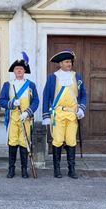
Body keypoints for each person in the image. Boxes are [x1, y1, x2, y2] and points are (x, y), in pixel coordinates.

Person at [42, 49, 87, 179]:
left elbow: (83, 95)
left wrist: (81, 109)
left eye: (70, 62)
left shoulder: (76, 76)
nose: (69, 64)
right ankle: (57, 169)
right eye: (66, 62)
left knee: (72, 141)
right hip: (58, 115)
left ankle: (71, 169)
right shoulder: (52, 77)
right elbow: (46, 96)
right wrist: (46, 116)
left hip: (72, 115)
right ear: (60, 63)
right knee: (57, 141)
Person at [0, 52, 39, 178]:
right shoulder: (8, 85)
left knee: (24, 143)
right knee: (13, 143)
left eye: (21, 69)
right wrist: (11, 104)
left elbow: (36, 101)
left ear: (24, 70)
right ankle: (11, 169)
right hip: (12, 118)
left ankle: (24, 169)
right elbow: (1, 101)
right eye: (17, 69)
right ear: (14, 71)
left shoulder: (31, 85)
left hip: (25, 119)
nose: (19, 70)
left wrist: (27, 112)